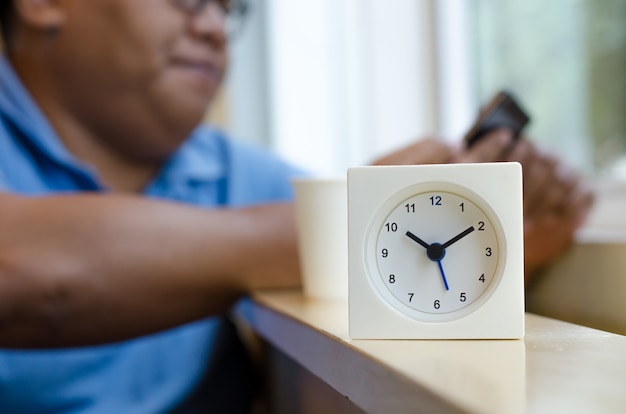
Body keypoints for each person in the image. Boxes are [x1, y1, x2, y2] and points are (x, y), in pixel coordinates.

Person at [0, 0, 592, 412]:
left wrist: (492, 234)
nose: (214, 28)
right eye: (189, 0)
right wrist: (352, 220)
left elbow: (380, 269)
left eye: (227, 9)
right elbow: (22, 271)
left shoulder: (237, 173)